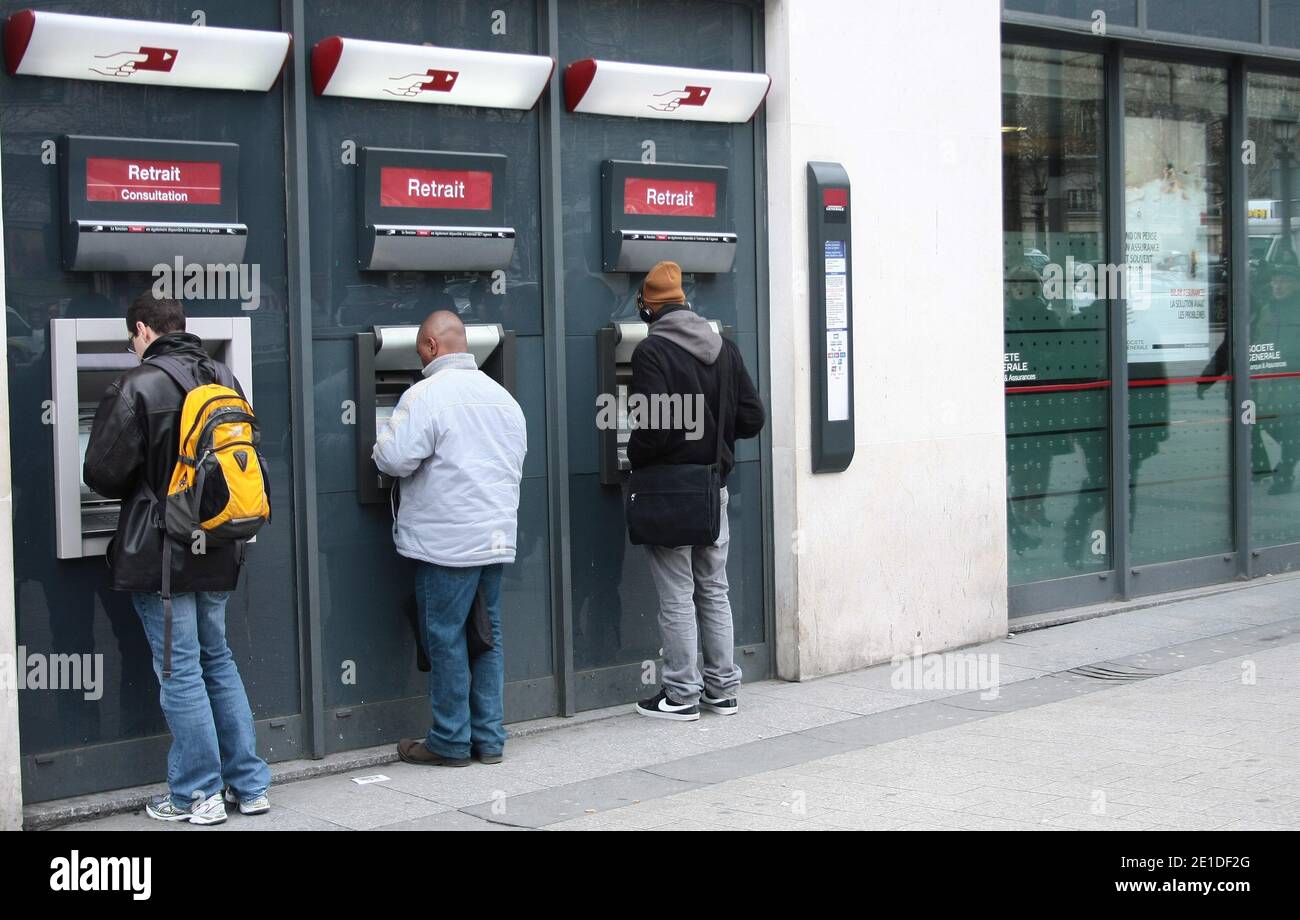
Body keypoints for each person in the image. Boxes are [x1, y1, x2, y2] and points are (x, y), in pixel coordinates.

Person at [83, 293, 269, 825]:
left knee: (180, 671)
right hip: (218, 544)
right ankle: (249, 785)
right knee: (218, 660)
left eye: (130, 338)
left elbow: (100, 472)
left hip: (161, 551)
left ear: (142, 330)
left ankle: (198, 795)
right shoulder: (224, 378)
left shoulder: (137, 384)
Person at [374, 310, 527, 766]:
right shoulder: (504, 398)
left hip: (446, 542)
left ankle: (450, 740)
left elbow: (393, 459)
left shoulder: (424, 395)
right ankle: (490, 738)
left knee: (446, 636)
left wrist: (378, 445)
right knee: (487, 636)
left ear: (429, 347)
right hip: (495, 537)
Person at [627, 261, 766, 721]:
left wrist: (637, 458)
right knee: (713, 588)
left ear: (649, 307)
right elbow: (752, 418)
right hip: (713, 488)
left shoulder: (652, 352)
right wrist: (716, 437)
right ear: (685, 302)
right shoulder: (723, 347)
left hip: (670, 489)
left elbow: (653, 427)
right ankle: (722, 690)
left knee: (676, 594)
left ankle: (681, 695)